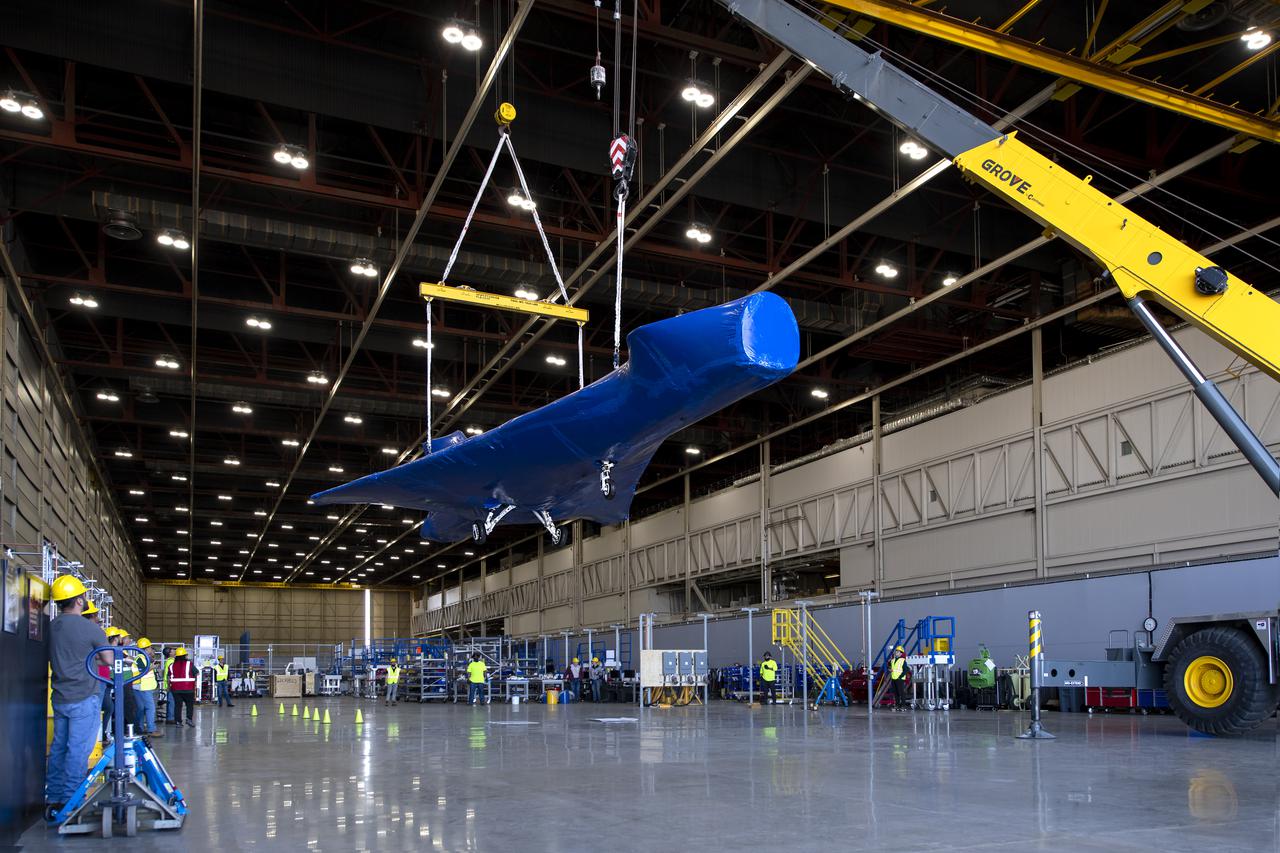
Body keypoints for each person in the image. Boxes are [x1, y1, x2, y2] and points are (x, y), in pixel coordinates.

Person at [45, 575, 111, 821]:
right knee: (77, 751)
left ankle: (54, 797)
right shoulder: (91, 628)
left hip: (60, 696)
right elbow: (108, 660)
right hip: (84, 696)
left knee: (59, 747)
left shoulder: (50, 627)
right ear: (80, 600)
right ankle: (72, 800)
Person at [132, 638, 162, 738]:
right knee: (150, 708)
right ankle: (151, 729)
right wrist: (152, 667)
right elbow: (142, 671)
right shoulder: (140, 658)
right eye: (149, 647)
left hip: (140, 686)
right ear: (146, 648)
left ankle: (139, 728)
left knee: (141, 708)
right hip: (143, 687)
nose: (151, 649)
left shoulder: (143, 658)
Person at [168, 647, 196, 726]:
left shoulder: (171, 665)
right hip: (188, 688)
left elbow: (169, 676)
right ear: (185, 656)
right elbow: (196, 673)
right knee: (189, 705)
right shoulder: (189, 664)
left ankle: (178, 722)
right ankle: (189, 719)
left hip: (175, 689)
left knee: (178, 705)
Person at [888, 645, 909, 710]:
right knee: (895, 693)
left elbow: (906, 670)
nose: (896, 652)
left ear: (901, 653)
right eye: (896, 651)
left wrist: (900, 676)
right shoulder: (892, 660)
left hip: (900, 679)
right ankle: (897, 705)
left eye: (898, 651)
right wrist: (890, 669)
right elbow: (891, 667)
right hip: (894, 678)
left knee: (901, 692)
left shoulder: (903, 661)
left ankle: (903, 705)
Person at [162, 646, 177, 725]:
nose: (174, 651)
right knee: (172, 702)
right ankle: (171, 718)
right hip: (171, 684)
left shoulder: (169, 661)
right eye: (173, 650)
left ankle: (170, 717)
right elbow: (169, 674)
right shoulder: (171, 661)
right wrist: (169, 685)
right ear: (170, 653)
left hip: (169, 684)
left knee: (171, 701)